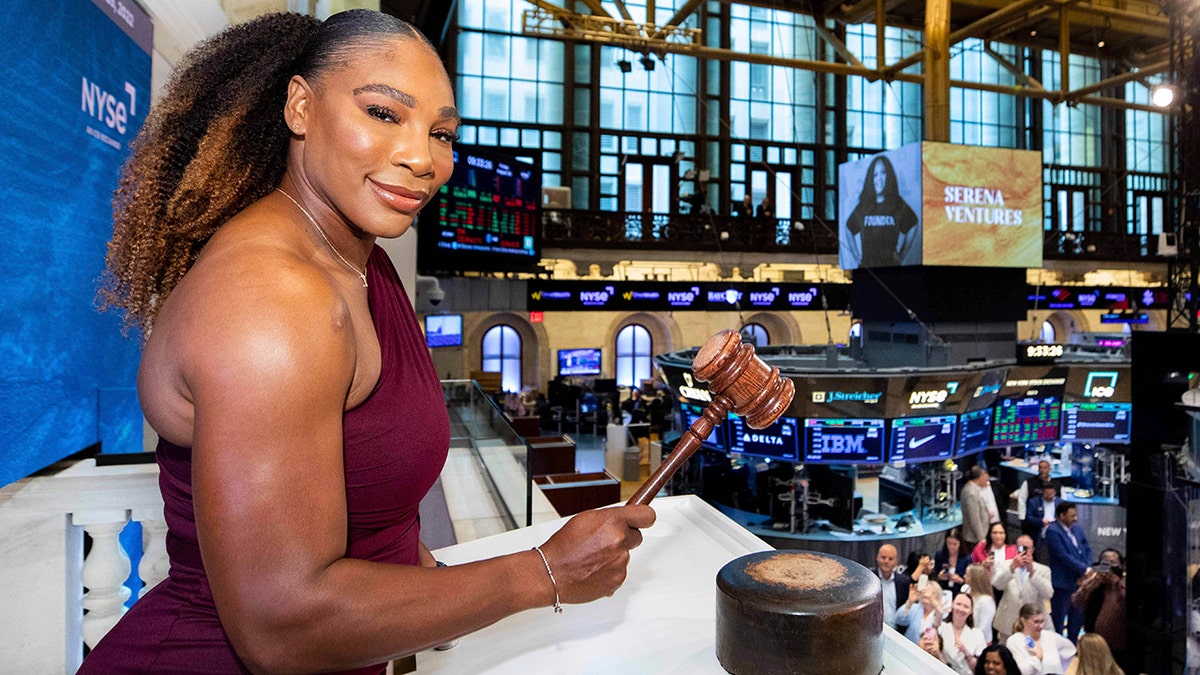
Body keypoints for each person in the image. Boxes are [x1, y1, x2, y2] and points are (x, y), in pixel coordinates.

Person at [83, 11, 655, 673]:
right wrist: (542, 572)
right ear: (301, 105)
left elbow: (371, 510)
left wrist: (432, 599)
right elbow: (281, 625)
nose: (421, 158)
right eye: (384, 113)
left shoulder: (360, 259)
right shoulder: (274, 297)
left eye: (441, 133)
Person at [843, 154, 920, 267]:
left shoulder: (898, 204)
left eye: (883, 173)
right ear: (871, 179)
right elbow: (848, 227)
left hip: (891, 269)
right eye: (875, 175)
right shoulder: (864, 205)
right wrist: (855, 254)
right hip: (867, 269)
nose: (879, 178)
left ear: (889, 176)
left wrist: (902, 254)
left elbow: (913, 224)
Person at [1044, 502, 1092, 642]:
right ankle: (1058, 647)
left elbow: (1086, 548)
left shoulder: (1077, 528)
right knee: (1059, 617)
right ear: (1062, 516)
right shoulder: (1052, 531)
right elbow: (1062, 555)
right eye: (1072, 516)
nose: (1075, 518)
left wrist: (1088, 567)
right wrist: (1083, 569)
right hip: (1063, 583)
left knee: (1077, 617)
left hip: (1081, 583)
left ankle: (1072, 644)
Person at [993, 534, 1054, 643]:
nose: (1024, 551)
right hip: (1009, 622)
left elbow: (1048, 594)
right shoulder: (1005, 565)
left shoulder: (1043, 570)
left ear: (1033, 550)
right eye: (1021, 548)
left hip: (1034, 624)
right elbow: (997, 585)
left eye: (1027, 548)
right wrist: (1011, 569)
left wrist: (1033, 573)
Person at [1071, 549, 1126, 667]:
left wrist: (1116, 585)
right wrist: (1093, 584)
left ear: (1121, 565)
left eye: (1113, 562)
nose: (1109, 566)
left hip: (1115, 644)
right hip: (1092, 640)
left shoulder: (1123, 583)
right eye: (1105, 562)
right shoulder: (1094, 580)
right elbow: (1077, 601)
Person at [1006, 604, 1076, 674]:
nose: (1041, 626)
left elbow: (1070, 650)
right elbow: (1021, 671)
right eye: (1036, 622)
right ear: (1023, 621)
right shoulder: (1014, 641)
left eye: (1042, 621)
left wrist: (1060, 670)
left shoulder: (1050, 636)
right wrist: (1038, 658)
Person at [940, 592, 987, 675]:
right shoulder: (941, 627)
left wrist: (966, 652)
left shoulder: (977, 634)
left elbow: (980, 669)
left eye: (966, 607)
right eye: (958, 604)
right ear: (952, 605)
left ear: (971, 611)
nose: (961, 609)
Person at [876, 543, 913, 631]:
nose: (886, 561)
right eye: (883, 557)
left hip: (897, 633)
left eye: (890, 559)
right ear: (877, 558)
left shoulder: (904, 582)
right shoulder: (869, 579)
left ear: (896, 561)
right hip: (873, 632)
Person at [962, 466, 1000, 551]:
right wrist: (981, 538)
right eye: (986, 478)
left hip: (980, 535)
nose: (987, 480)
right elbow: (974, 519)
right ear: (980, 477)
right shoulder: (971, 494)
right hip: (974, 539)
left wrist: (986, 514)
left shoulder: (975, 490)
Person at [898, 579, 946, 644]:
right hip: (908, 646)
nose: (927, 595)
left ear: (938, 596)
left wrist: (933, 601)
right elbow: (899, 620)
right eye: (925, 591)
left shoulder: (940, 613)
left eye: (932, 593)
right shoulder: (915, 607)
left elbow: (940, 615)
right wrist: (909, 603)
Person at [1017, 459, 1055, 535]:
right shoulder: (1029, 482)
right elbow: (1021, 500)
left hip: (1051, 521)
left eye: (1045, 468)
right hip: (1033, 518)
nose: (1042, 470)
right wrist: (1022, 517)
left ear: (1049, 468)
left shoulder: (1056, 484)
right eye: (1040, 468)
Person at [964, 563, 997, 645]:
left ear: (974, 579)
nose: (964, 576)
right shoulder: (966, 590)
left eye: (967, 575)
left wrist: (971, 639)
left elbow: (984, 627)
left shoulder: (986, 601)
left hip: (981, 641)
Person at [936, 527, 971, 595]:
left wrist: (960, 580)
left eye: (955, 544)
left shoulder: (967, 559)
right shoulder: (940, 555)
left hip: (960, 592)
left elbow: (972, 582)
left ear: (960, 544)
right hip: (943, 591)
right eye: (949, 543)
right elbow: (934, 574)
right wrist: (939, 576)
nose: (951, 547)